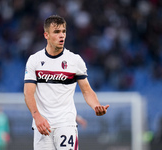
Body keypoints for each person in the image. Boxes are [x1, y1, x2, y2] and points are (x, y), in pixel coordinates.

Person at [24, 15, 109, 150]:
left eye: (63, 31)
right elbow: (28, 92)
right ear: (46, 35)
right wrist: (37, 117)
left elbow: (87, 90)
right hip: (42, 125)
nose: (61, 35)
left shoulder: (75, 60)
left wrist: (96, 105)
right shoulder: (34, 60)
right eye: (56, 32)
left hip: (66, 124)